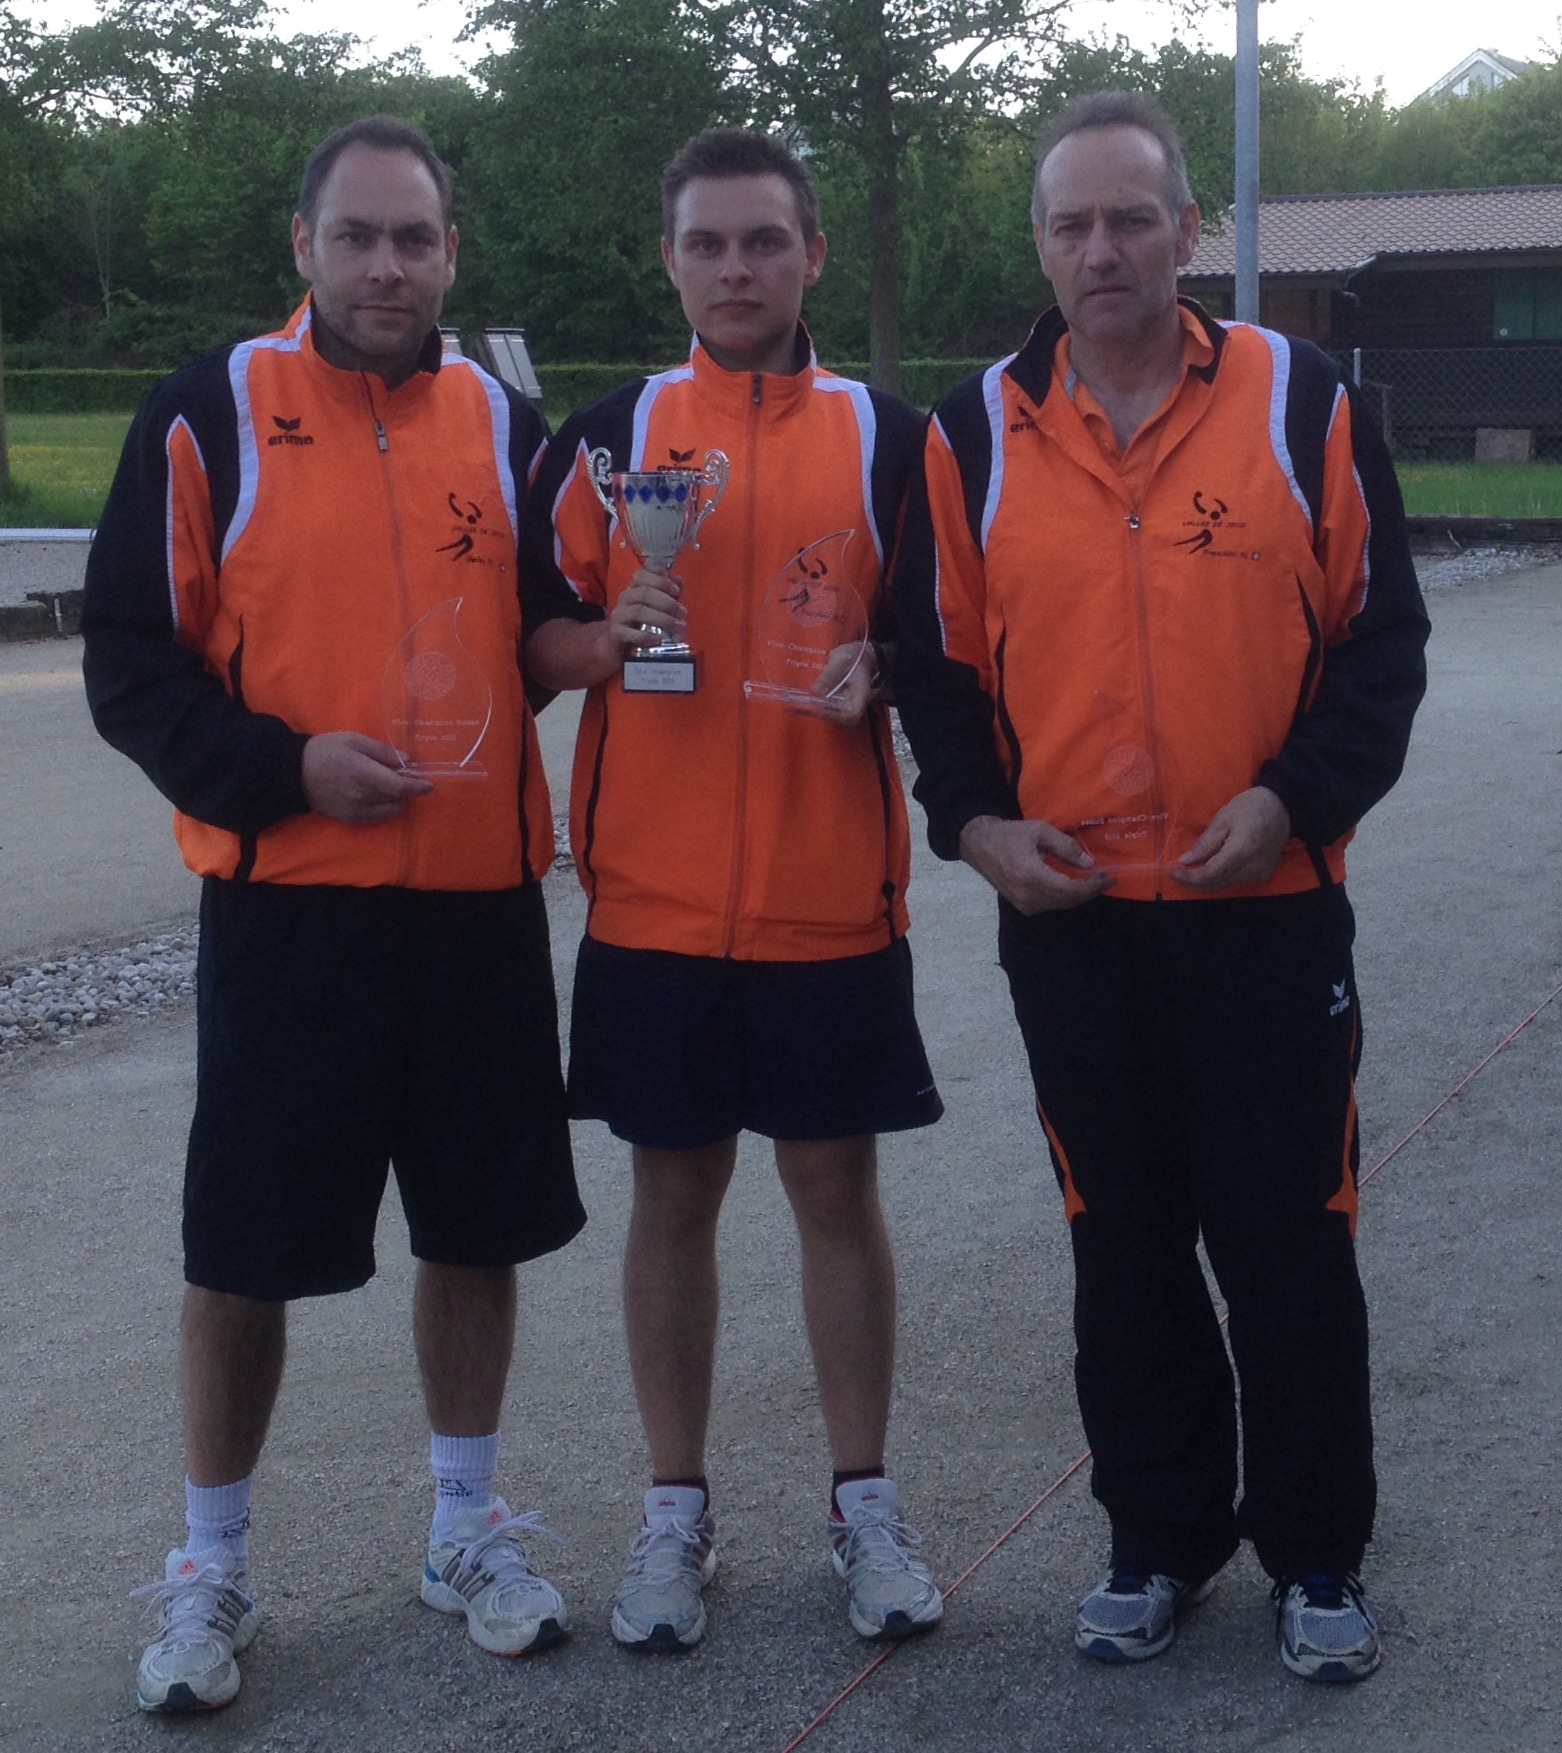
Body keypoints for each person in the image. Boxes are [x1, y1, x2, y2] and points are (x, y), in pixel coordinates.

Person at [894, 92, 1429, 1682]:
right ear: (1041, 247)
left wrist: (1292, 801)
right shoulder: (970, 434)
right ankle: (1158, 1537)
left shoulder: (1303, 403)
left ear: (1188, 232)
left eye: (1133, 217)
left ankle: (1316, 1553)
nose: (1104, 248)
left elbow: (1382, 648)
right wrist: (977, 828)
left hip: (1266, 909)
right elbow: (935, 670)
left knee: (1290, 1234)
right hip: (1074, 921)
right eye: (1073, 223)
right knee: (1120, 1239)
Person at [82, 115, 587, 1714]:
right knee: (244, 1256)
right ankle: (212, 1561)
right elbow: (131, 667)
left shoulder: (504, 425)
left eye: (413, 239)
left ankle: (464, 1527)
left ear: (450, 255)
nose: (386, 266)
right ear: (303, 247)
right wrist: (287, 768)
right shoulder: (208, 413)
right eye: (357, 236)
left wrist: (634, 631)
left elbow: (549, 628)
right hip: (291, 914)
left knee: (476, 1230)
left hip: (477, 909)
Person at [520, 127, 944, 1652]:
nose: (737, 268)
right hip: (655, 902)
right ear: (670, 260)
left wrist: (884, 667)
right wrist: (604, 637)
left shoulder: (893, 441)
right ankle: (672, 1509)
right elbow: (532, 636)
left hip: (830, 899)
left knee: (836, 1194)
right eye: (707, 243)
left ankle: (865, 1504)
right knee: (672, 1198)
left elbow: (952, 640)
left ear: (813, 254)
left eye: (766, 241)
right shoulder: (608, 436)